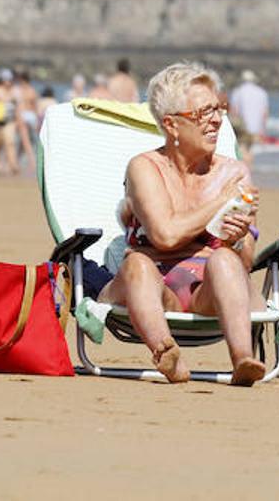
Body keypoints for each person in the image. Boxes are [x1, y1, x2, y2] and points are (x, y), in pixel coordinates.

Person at [97, 62, 266, 386]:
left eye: (218, 109)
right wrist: (220, 202)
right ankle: (166, 352)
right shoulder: (145, 168)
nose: (216, 119)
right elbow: (165, 235)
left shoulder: (234, 173)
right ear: (172, 125)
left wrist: (238, 239)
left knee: (225, 261)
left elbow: (245, 263)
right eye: (203, 112)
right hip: (153, 288)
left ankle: (243, 358)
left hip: (209, 292)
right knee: (138, 266)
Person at [228, 70, 269, 168]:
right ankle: (249, 171)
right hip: (256, 127)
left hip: (242, 126)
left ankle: (246, 173)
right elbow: (265, 113)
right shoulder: (262, 93)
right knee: (250, 150)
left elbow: (234, 111)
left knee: (242, 150)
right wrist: (263, 130)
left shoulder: (238, 92)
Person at [14, 70, 39, 174]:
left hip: (23, 115)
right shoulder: (32, 91)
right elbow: (35, 107)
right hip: (31, 116)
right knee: (23, 141)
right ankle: (16, 160)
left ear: (22, 80)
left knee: (25, 139)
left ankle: (32, 162)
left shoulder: (18, 91)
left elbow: (17, 106)